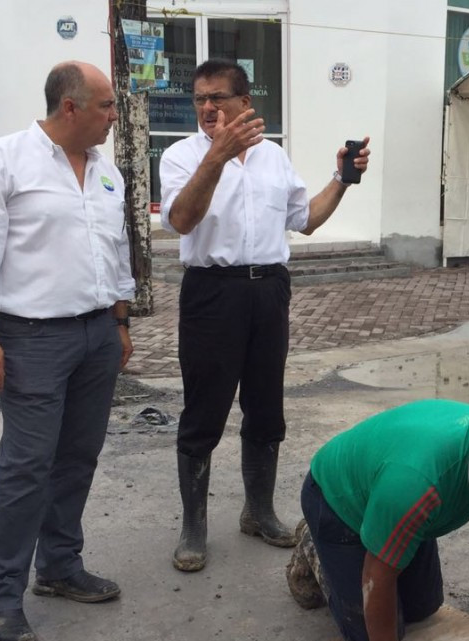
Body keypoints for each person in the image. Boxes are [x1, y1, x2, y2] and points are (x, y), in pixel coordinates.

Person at [158, 58, 370, 571]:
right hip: (213, 293)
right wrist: (217, 157)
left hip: (268, 291)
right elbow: (181, 219)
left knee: (265, 408)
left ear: (245, 104)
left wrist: (342, 179)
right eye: (200, 100)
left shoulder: (274, 158)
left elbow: (307, 219)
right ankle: (194, 528)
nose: (207, 108)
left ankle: (258, 511)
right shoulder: (181, 156)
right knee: (204, 411)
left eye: (218, 99)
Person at [0, 61, 135, 641]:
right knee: (26, 467)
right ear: (71, 107)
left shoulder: (107, 173)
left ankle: (58, 565)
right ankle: (1, 597)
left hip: (97, 333)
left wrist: (121, 323)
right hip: (30, 337)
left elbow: (118, 251)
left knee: (78, 456)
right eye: (106, 106)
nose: (115, 116)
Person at [287, 399, 469, 641]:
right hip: (338, 503)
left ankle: (384, 535)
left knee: (423, 608)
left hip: (398, 503)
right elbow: (377, 578)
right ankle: (313, 549)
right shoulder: (417, 483)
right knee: (380, 630)